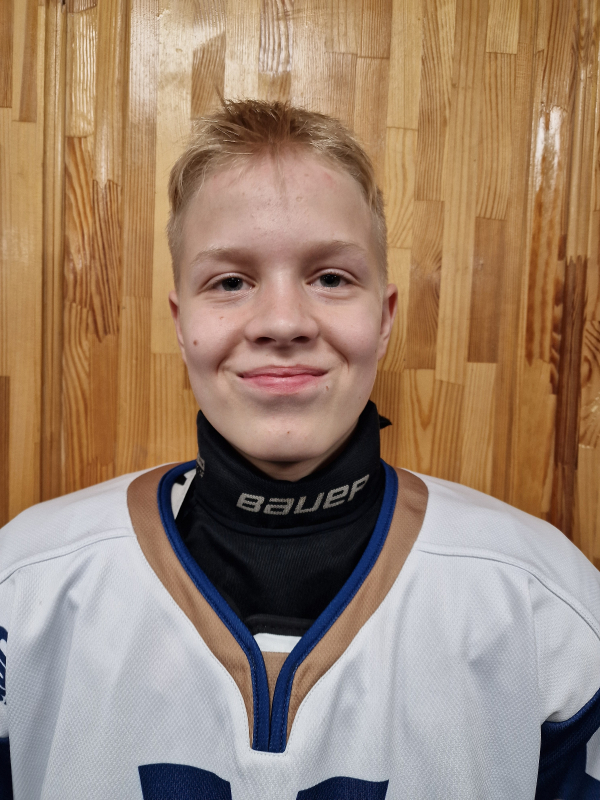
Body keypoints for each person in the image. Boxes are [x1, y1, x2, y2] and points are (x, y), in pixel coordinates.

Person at [0, 100, 599, 800]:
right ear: (181, 323)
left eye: (331, 278)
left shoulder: (543, 603)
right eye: (230, 282)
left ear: (384, 318)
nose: (283, 322)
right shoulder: (24, 588)